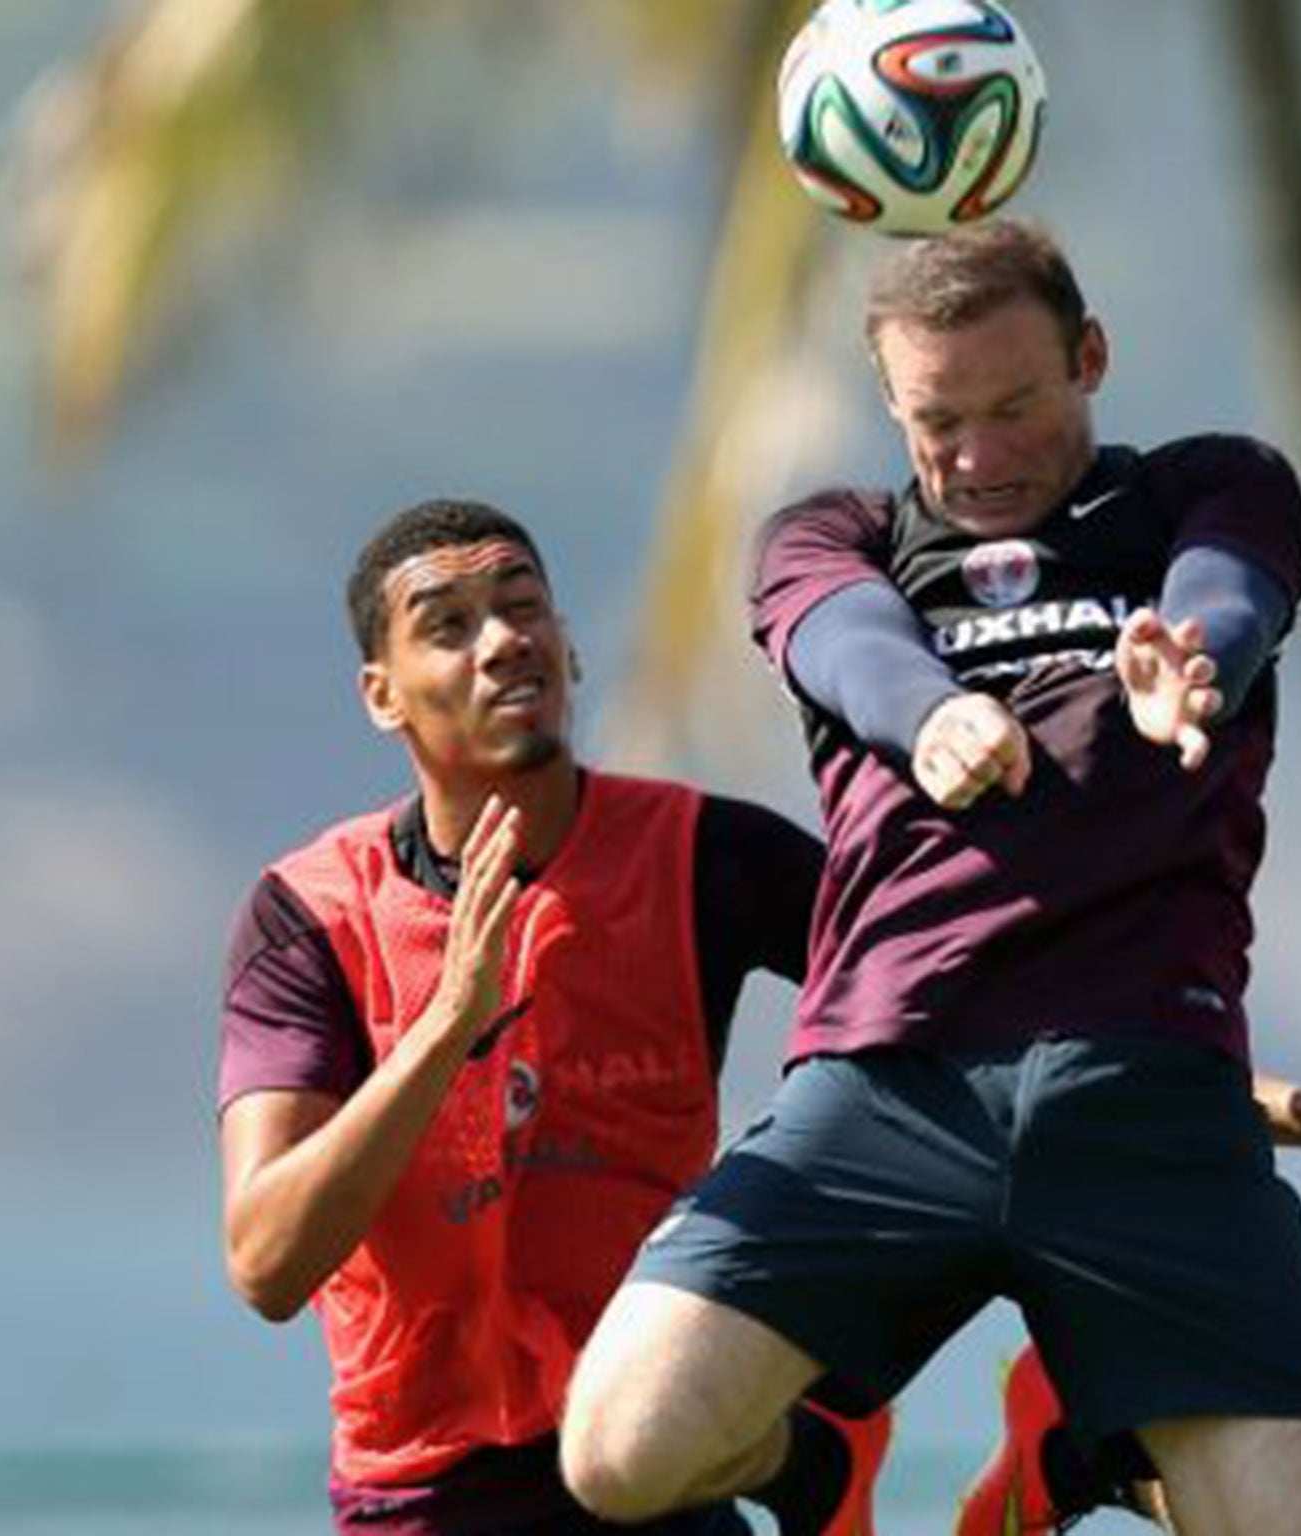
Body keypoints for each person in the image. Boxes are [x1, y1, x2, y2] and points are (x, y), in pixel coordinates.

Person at [559, 220, 1301, 1536]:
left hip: (1148, 1099)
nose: (977, 455)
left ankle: (1080, 1447)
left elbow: (1229, 591)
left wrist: (1190, 660)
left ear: (1090, 358)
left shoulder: (1207, 490)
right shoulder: (831, 535)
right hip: (885, 1089)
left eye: (1016, 404)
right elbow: (843, 642)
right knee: (616, 1455)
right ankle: (824, 1455)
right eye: (937, 421)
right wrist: (931, 715)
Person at [214, 498, 890, 1536]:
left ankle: (805, 1450)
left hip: (656, 1458)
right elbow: (266, 1263)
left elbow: (949, 978)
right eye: (448, 624)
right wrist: (445, 1029)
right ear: (380, 695)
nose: (501, 643)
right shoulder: (309, 914)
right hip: (421, 1489)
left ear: (567, 652)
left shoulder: (707, 856)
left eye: (523, 608)